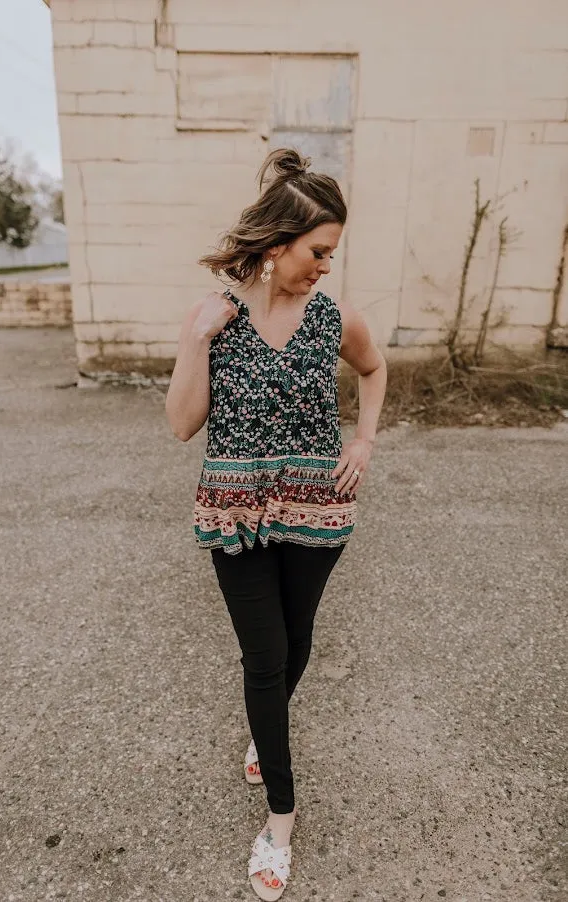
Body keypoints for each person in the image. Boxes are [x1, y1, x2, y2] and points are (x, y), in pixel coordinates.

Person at [165, 148, 387, 899]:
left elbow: (374, 369)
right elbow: (181, 424)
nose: (326, 265)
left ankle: (266, 737)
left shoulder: (335, 317)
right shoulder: (217, 316)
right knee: (265, 658)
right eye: (318, 252)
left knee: (297, 642)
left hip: (317, 506)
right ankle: (279, 822)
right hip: (235, 509)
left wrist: (363, 439)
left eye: (333, 254)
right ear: (277, 244)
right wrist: (196, 338)